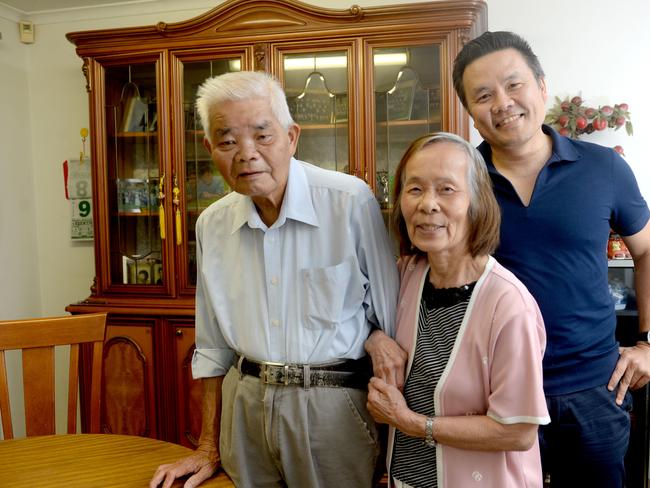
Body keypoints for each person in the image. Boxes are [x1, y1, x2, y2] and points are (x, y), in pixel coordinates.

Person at [149, 71, 399, 488]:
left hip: (331, 408)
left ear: (291, 136)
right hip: (243, 405)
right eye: (227, 141)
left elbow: (390, 320)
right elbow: (212, 347)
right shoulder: (212, 225)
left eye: (262, 136)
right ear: (210, 148)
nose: (246, 154)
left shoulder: (348, 201)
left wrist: (397, 444)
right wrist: (208, 445)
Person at [452, 31, 650, 487]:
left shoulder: (604, 168)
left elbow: (646, 251)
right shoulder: (462, 182)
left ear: (542, 87)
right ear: (470, 113)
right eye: (483, 95)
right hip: (494, 395)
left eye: (513, 85)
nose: (502, 103)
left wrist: (647, 344)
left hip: (595, 391)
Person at [364, 132, 550, 488]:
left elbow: (518, 432)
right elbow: (360, 315)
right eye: (415, 189)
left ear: (476, 202)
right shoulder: (405, 275)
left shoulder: (509, 305)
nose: (427, 204)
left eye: (446, 189)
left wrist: (411, 423)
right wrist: (375, 339)